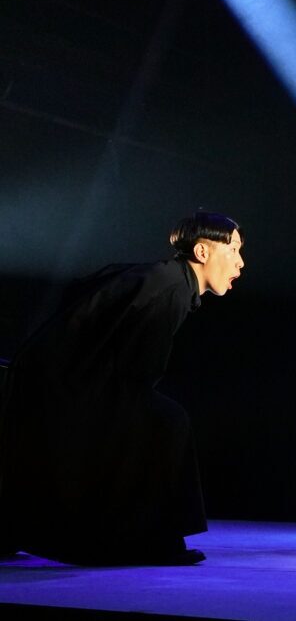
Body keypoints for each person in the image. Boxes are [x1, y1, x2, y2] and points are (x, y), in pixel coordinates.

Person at [0, 211, 245, 565]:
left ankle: (139, 534)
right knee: (167, 422)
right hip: (58, 384)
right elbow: (137, 373)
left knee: (160, 416)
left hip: (60, 377)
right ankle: (148, 539)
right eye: (233, 250)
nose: (240, 262)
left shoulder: (166, 279)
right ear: (202, 252)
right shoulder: (170, 288)